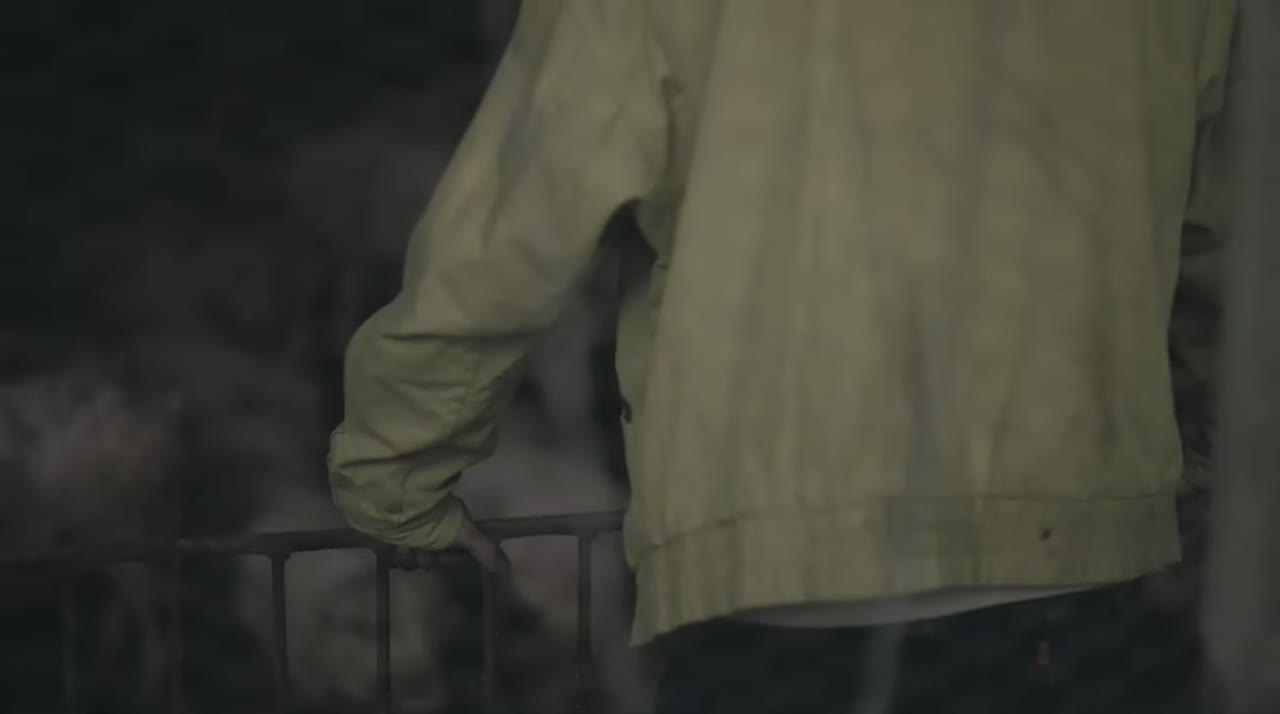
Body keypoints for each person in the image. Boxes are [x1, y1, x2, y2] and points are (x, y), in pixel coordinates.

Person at [328, 1, 1236, 712]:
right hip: (1073, 566)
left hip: (774, 578)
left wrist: (398, 474)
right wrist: (1193, 434)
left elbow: (506, 241)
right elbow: (1218, 237)